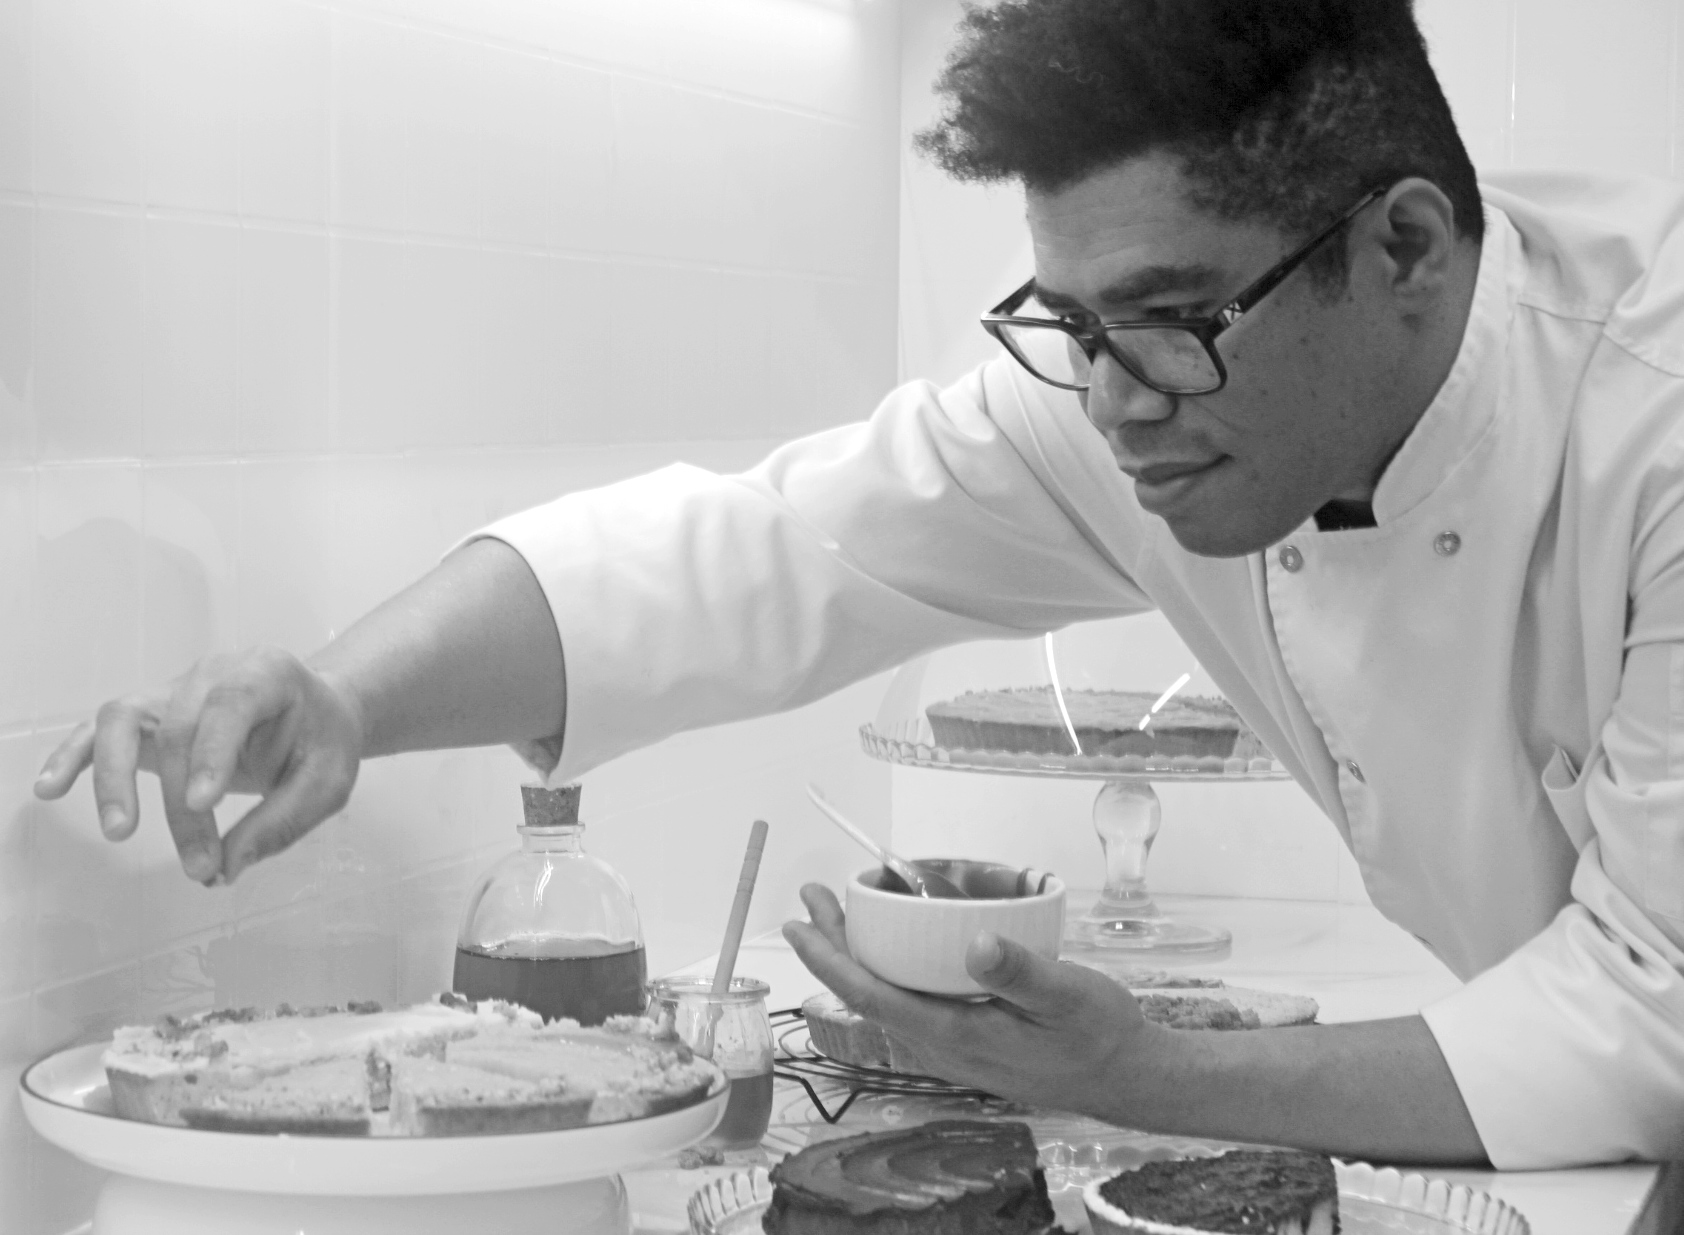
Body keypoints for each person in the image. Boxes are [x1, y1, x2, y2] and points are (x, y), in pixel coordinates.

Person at [31, 0, 1684, 1169]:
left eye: (1174, 322)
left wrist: (1141, 1070)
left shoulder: (1655, 416)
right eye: (1073, 328)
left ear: (1405, 250)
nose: (1113, 403)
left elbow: (1649, 1012)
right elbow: (759, 552)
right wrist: (345, 694)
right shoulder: (1121, 400)